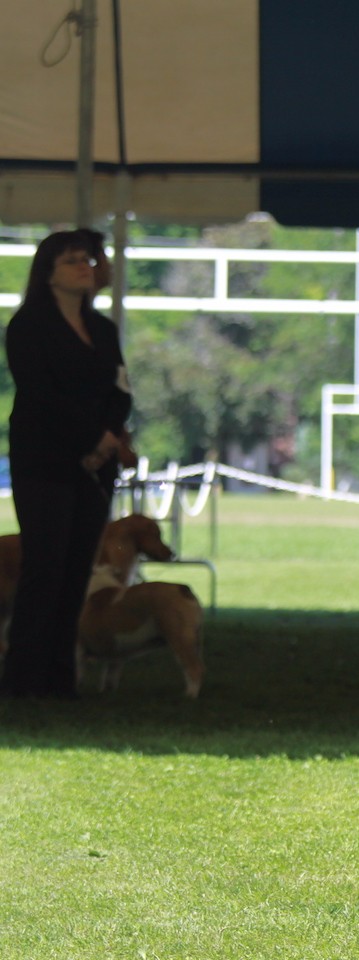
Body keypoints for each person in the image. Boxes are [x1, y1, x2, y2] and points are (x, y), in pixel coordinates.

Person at [1, 231, 136, 698]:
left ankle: (62, 680)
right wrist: (92, 437)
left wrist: (107, 440)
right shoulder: (27, 327)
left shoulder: (103, 331)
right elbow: (40, 396)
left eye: (88, 259)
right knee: (45, 568)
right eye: (73, 260)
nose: (85, 266)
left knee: (78, 568)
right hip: (44, 461)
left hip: (95, 467)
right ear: (49, 272)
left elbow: (121, 391)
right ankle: (23, 679)